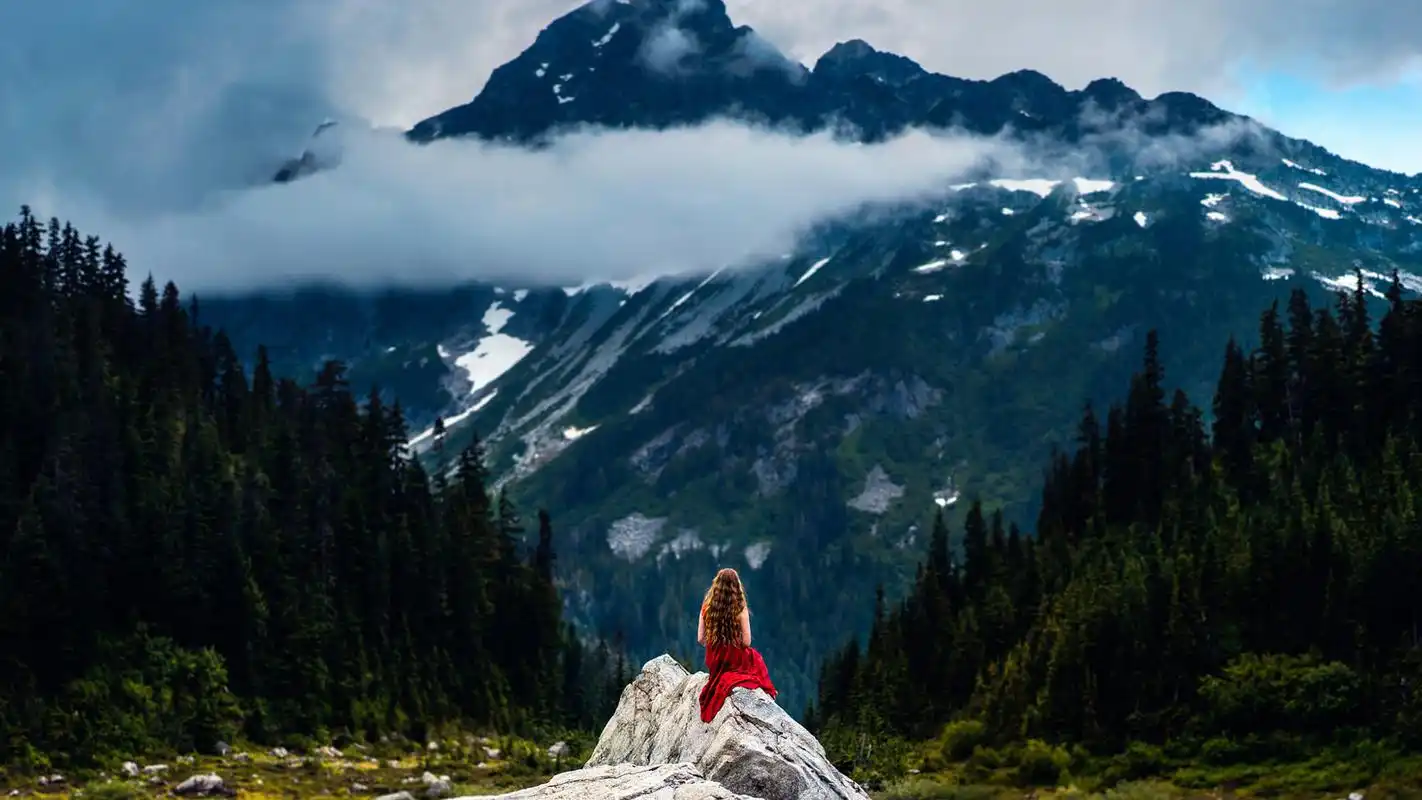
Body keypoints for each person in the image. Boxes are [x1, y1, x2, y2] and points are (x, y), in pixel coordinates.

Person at [696, 567, 777, 722]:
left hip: (714, 659)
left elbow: (701, 639)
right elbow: (746, 642)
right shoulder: (740, 608)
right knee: (755, 658)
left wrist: (716, 641)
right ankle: (768, 694)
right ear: (736, 586)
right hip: (733, 658)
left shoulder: (706, 607)